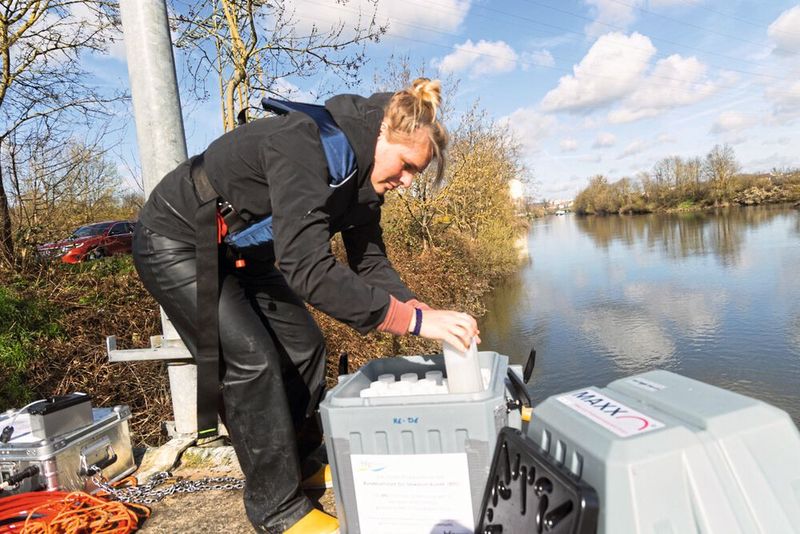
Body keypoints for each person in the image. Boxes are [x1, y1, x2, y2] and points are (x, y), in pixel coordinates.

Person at [132, 78, 480, 533]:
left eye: (416, 173)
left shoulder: (364, 184)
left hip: (243, 252)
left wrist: (420, 308)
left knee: (305, 345)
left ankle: (297, 464)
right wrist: (411, 322)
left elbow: (369, 261)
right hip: (177, 239)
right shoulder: (304, 145)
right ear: (383, 133)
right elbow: (307, 269)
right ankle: (275, 508)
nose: (407, 182)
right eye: (407, 166)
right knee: (252, 361)